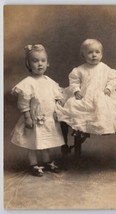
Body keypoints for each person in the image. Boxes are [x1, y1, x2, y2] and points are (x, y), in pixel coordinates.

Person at [56, 39, 116, 137]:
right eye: (90, 52)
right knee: (74, 107)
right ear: (83, 55)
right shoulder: (79, 70)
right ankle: (80, 127)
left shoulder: (105, 68)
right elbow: (74, 82)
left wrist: (109, 88)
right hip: (84, 96)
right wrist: (76, 91)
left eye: (97, 52)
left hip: (102, 95)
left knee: (107, 108)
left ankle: (104, 127)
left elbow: (113, 79)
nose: (94, 55)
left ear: (101, 54)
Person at [11, 44, 65, 176]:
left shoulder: (49, 81)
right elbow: (23, 102)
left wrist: (58, 109)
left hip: (48, 119)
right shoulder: (27, 83)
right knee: (32, 142)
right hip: (34, 119)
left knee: (45, 141)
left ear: (48, 63)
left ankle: (47, 161)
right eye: (35, 61)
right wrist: (28, 117)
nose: (39, 64)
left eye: (43, 61)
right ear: (28, 64)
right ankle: (33, 164)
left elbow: (57, 97)